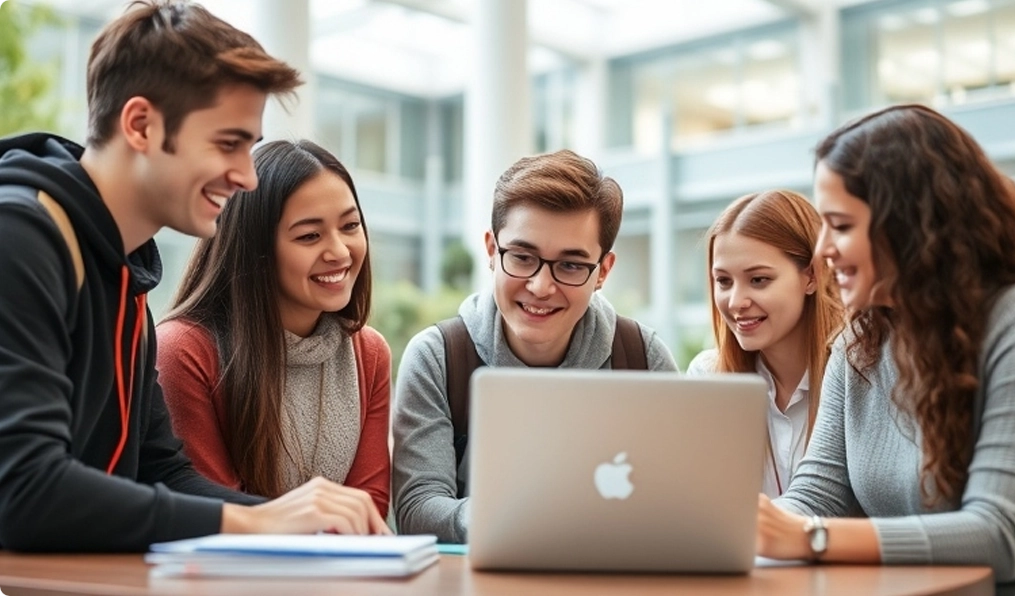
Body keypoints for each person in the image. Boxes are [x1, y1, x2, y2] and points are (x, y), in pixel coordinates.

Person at [0, 1, 386, 553]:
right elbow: (25, 492)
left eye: (250, 148)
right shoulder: (22, 237)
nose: (247, 177)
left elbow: (162, 473)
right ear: (141, 125)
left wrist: (309, 522)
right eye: (228, 143)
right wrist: (257, 524)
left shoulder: (123, 269)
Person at [756, 104, 1015, 583]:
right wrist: (751, 526)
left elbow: (1000, 534)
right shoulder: (860, 339)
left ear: (910, 225)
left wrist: (812, 537)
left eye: (839, 225)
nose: (821, 250)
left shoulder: (1013, 322)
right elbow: (818, 495)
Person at [392, 149, 679, 543]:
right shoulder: (439, 357)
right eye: (523, 257)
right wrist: (540, 516)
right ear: (492, 251)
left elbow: (680, 504)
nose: (541, 287)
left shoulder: (642, 357)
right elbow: (418, 511)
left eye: (571, 265)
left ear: (603, 272)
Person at [156, 140, 390, 519]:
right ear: (255, 249)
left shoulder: (369, 353)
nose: (341, 252)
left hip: (340, 574)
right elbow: (214, 515)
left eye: (350, 226)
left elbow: (368, 511)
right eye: (309, 236)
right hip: (229, 574)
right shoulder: (184, 350)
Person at [687, 190, 843, 497]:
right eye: (723, 281)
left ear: (811, 276)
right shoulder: (708, 377)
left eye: (758, 280)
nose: (735, 302)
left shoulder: (857, 378)